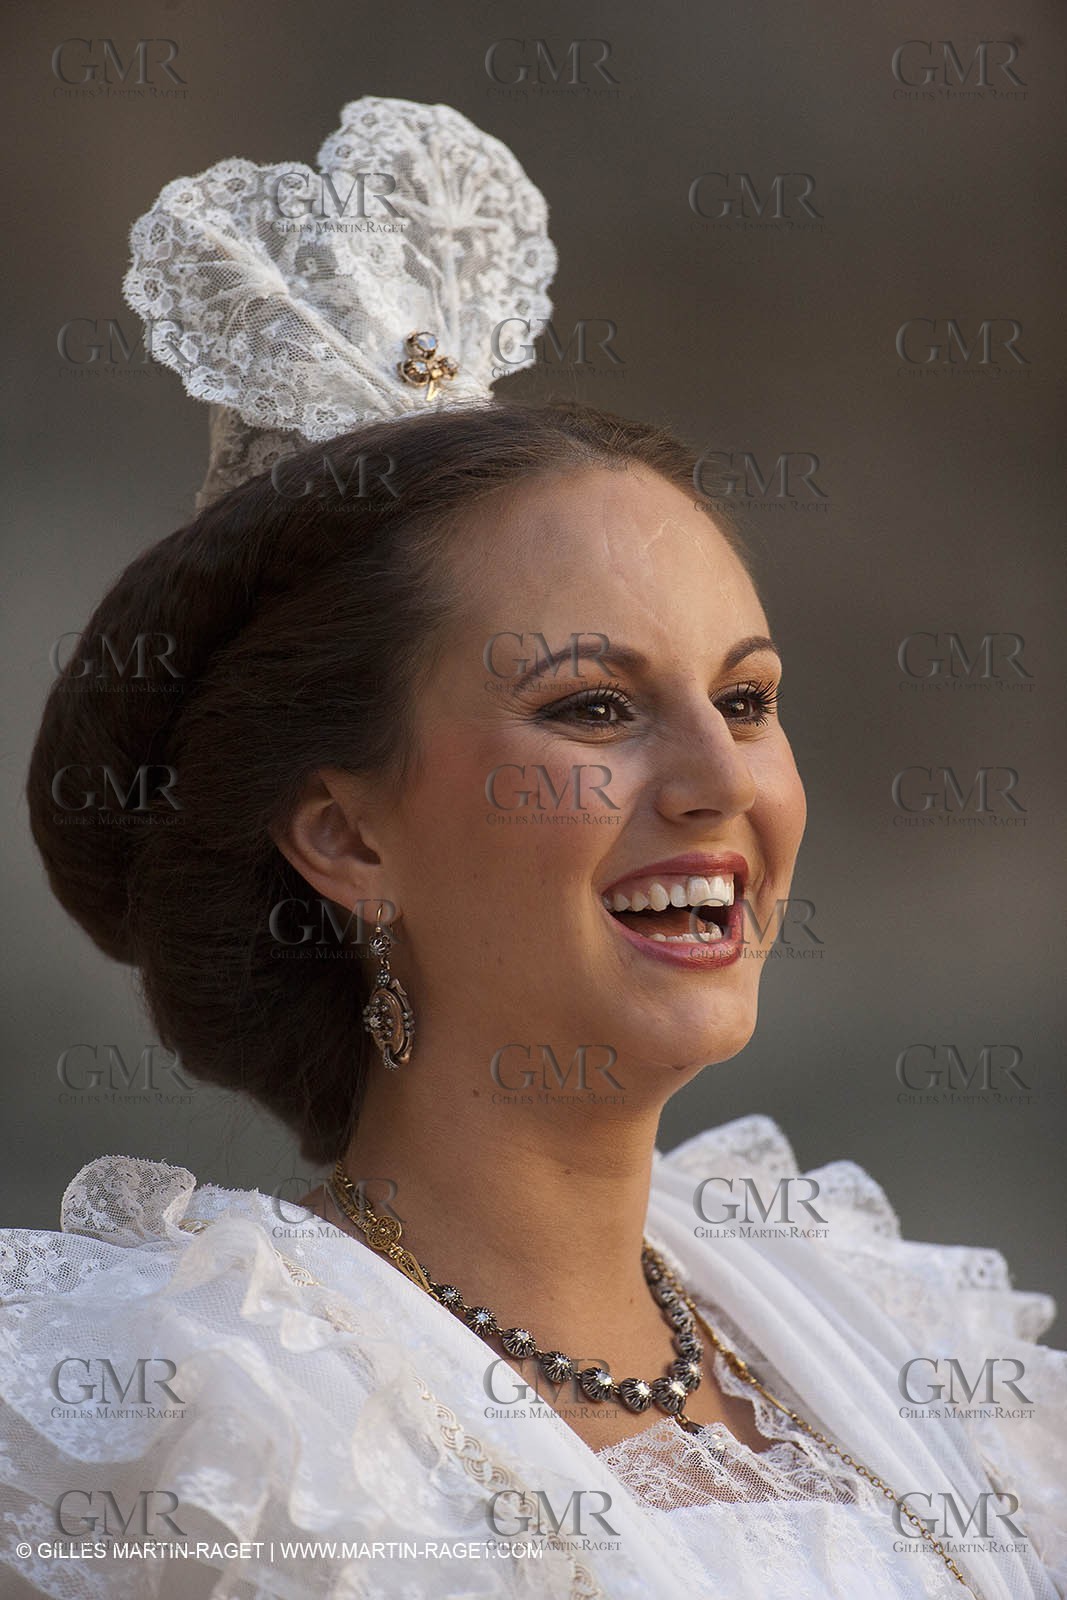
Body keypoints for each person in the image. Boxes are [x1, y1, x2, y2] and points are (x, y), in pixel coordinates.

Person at [1, 96, 1062, 1600]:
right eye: (593, 708)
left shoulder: (890, 1337)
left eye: (747, 700)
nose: (719, 782)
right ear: (343, 835)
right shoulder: (226, 1419)